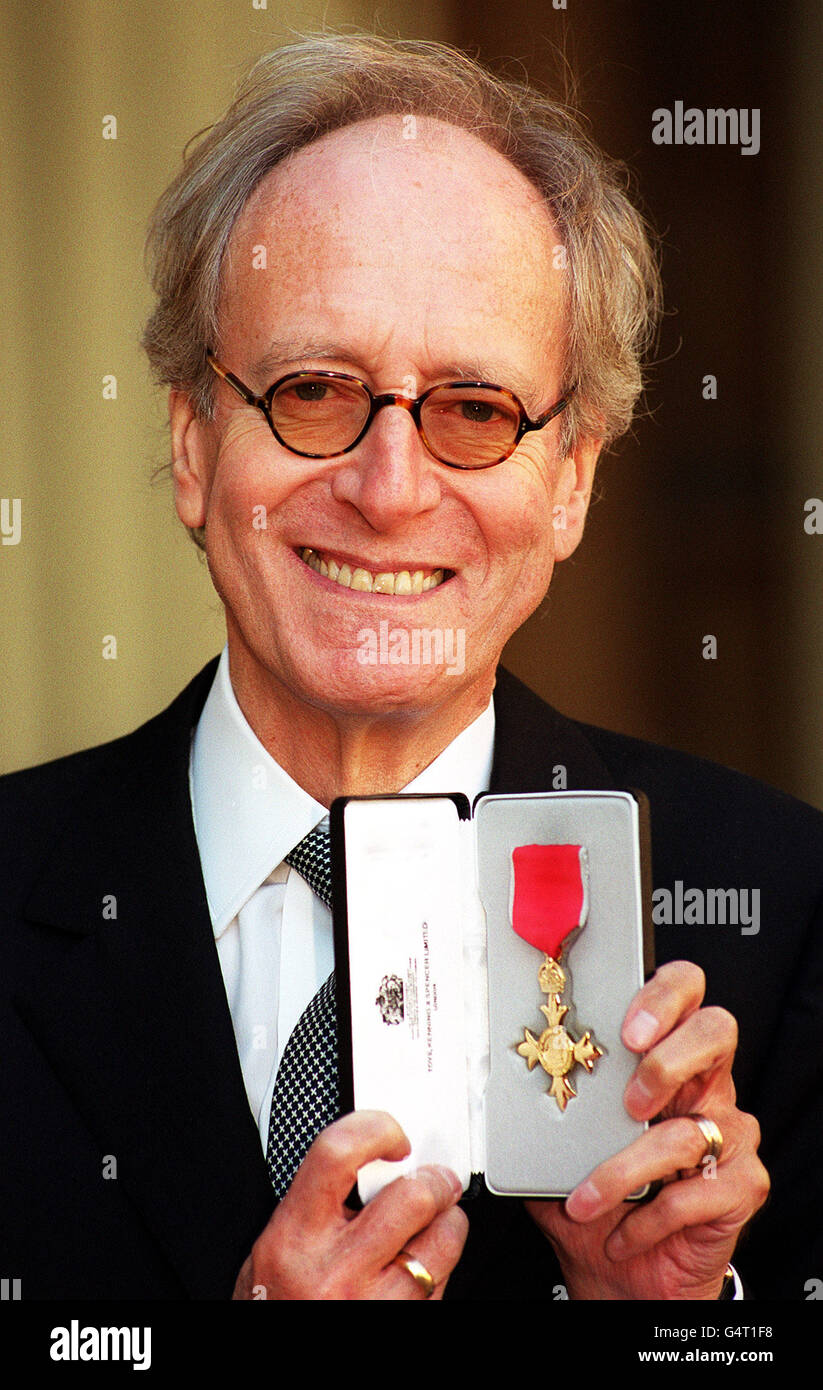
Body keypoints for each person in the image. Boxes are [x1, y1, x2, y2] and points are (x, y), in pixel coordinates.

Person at [1, 32, 819, 1303]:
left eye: (476, 410)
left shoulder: (793, 912)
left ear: (571, 483)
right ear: (192, 446)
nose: (389, 490)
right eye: (316, 391)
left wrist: (667, 1324)